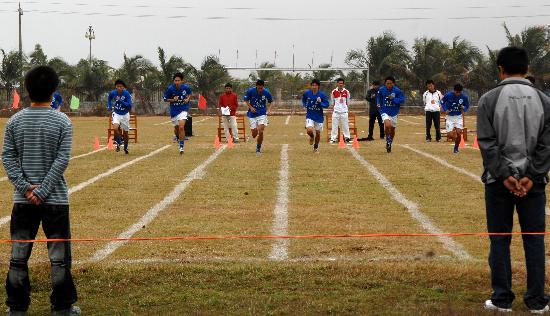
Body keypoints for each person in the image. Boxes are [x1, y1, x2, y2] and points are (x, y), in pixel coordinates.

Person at [2, 66, 79, 316]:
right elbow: (62, 160)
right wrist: (43, 190)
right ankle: (62, 308)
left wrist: (26, 189)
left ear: (27, 90)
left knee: (18, 256)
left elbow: (8, 158)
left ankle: (16, 308)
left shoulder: (14, 121)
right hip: (55, 200)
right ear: (54, 91)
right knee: (59, 258)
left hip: (23, 202)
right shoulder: (62, 121)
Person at [478, 46, 550, 314]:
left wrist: (506, 175)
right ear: (527, 68)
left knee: (499, 238)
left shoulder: (489, 99)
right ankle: (536, 300)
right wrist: (531, 176)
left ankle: (502, 298)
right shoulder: (543, 100)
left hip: (498, 182)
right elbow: (546, 144)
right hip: (534, 183)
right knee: (534, 239)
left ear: (500, 69)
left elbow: (487, 142)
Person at [163, 73, 192, 155]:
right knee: (176, 128)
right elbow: (165, 99)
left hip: (183, 109)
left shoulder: (185, 87)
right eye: (175, 80)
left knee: (181, 127)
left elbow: (190, 93)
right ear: (173, 81)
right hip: (174, 111)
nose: (177, 82)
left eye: (178, 80)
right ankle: (177, 137)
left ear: (182, 81)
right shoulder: (170, 89)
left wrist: (187, 99)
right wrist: (172, 100)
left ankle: (181, 147)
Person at [377, 76, 405, 153]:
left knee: (392, 129)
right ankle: (387, 139)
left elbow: (402, 100)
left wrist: (393, 99)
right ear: (385, 84)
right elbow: (378, 97)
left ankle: (389, 143)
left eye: (390, 83)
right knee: (387, 125)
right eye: (387, 83)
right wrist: (378, 104)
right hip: (384, 111)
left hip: (394, 112)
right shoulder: (382, 89)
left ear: (393, 83)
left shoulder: (397, 91)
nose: (388, 85)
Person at [244, 79, 273, 154]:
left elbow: (271, 101)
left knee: (261, 131)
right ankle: (255, 130)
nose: (260, 89)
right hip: (252, 114)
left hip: (262, 114)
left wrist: (269, 110)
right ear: (256, 86)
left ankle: (258, 148)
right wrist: (251, 107)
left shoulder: (266, 92)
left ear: (263, 86)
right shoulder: (250, 91)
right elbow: (246, 100)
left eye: (262, 88)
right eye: (259, 88)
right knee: (254, 134)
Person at [302, 79, 329, 153]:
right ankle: (311, 136)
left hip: (319, 117)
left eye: (315, 85)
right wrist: (305, 105)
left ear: (318, 86)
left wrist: (321, 103)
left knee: (318, 133)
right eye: (312, 85)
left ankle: (315, 147)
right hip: (310, 115)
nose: (314, 86)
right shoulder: (307, 93)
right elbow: (303, 99)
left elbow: (327, 104)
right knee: (309, 130)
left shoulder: (322, 95)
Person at [441, 83, 469, 153]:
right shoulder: (448, 95)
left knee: (459, 132)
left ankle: (456, 148)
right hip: (449, 118)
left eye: (459, 92)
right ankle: (456, 140)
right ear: (454, 90)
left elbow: (467, 105)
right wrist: (445, 109)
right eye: (457, 92)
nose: (458, 94)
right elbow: (442, 101)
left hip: (458, 117)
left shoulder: (464, 97)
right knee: (450, 135)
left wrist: (464, 107)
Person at [107, 80, 132, 154]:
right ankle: (120, 140)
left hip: (125, 115)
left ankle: (126, 147)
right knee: (115, 128)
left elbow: (129, 105)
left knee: (126, 133)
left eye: (121, 86)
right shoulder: (113, 93)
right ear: (116, 87)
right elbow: (109, 99)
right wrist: (109, 105)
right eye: (118, 86)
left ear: (123, 87)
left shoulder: (127, 94)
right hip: (116, 113)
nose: (119, 88)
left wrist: (120, 101)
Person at [330, 78, 351, 144]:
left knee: (345, 126)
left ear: (343, 84)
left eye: (342, 83)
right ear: (337, 84)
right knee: (334, 126)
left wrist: (345, 108)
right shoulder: (333, 91)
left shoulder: (346, 92)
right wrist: (334, 109)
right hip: (336, 112)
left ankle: (347, 138)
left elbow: (348, 101)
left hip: (344, 112)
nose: (341, 84)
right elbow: (332, 102)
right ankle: (333, 138)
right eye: (339, 83)